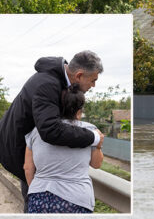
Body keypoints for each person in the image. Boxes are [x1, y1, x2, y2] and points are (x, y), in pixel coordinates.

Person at [0, 50, 104, 213]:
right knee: (34, 196)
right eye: (93, 80)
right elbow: (51, 130)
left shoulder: (56, 80)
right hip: (16, 148)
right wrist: (93, 137)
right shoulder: (48, 84)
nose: (93, 86)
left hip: (27, 147)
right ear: (79, 75)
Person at [24, 83, 103, 213]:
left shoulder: (37, 131)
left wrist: (37, 191)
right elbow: (96, 164)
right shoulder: (91, 130)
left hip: (39, 197)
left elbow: (28, 168)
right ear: (79, 111)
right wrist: (98, 147)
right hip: (77, 199)